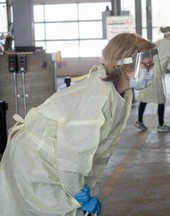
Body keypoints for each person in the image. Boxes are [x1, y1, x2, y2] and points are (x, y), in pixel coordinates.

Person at [0, 33, 159, 216]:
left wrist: (83, 189)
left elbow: (90, 150)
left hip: (53, 160)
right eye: (146, 65)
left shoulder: (122, 93)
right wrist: (80, 195)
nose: (151, 71)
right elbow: (70, 160)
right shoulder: (95, 99)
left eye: (152, 65)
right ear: (123, 65)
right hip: (34, 164)